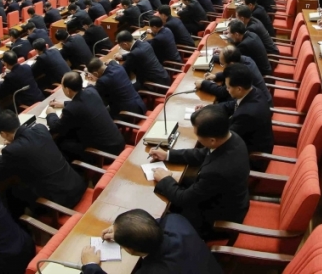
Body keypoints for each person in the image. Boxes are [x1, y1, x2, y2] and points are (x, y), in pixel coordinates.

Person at [148, 105, 250, 238]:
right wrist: (167, 155)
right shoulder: (231, 138)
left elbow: (184, 200)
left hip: (215, 219)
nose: (197, 137)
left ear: (212, 140)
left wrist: (165, 179)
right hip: (223, 197)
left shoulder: (216, 172)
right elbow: (202, 153)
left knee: (158, 219)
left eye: (197, 135)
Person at [0, 110, 87, 220]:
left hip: (62, 202)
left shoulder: (12, 151)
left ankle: (25, 228)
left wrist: (4, 150)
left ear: (3, 133)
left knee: (12, 192)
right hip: (77, 185)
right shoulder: (40, 129)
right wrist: (14, 143)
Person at [80, 210, 222, 274]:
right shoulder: (176, 220)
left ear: (130, 249)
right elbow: (155, 224)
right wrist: (121, 230)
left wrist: (91, 265)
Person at [45, 72, 126, 161]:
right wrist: (64, 104)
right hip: (119, 142)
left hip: (106, 154)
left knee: (62, 143)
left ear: (67, 90)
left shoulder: (71, 110)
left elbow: (56, 127)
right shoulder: (91, 91)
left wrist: (51, 113)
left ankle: (80, 171)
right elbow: (83, 103)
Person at [212, 64, 273, 171]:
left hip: (251, 159)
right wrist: (209, 109)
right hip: (250, 142)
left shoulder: (247, 114)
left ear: (239, 89)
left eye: (228, 87)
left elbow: (224, 140)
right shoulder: (253, 91)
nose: (227, 90)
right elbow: (232, 105)